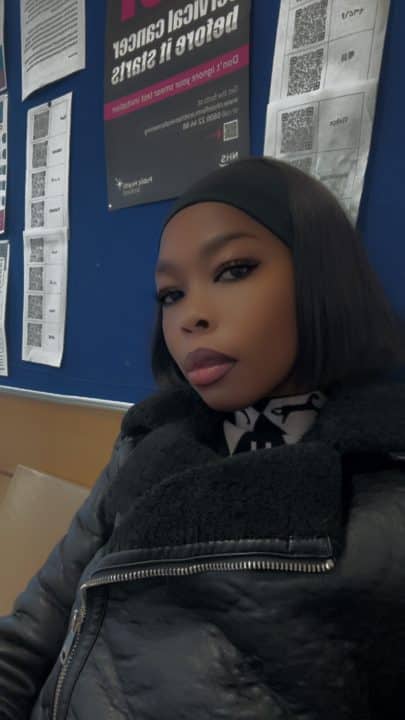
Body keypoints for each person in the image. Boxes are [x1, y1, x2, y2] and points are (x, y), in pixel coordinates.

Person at [1, 157, 405, 720]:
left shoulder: (384, 486)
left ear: (319, 275)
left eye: (234, 270)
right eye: (171, 294)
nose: (191, 315)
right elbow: (30, 633)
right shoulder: (147, 444)